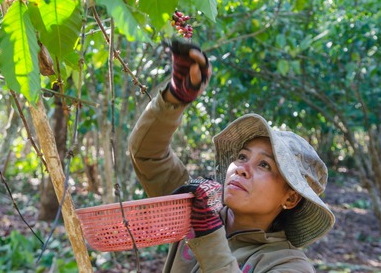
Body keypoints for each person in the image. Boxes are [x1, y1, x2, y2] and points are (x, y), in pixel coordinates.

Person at [128, 39, 335, 272]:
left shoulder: (288, 265)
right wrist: (175, 98)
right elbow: (147, 155)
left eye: (265, 165)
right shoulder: (196, 209)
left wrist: (207, 230)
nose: (241, 168)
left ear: (290, 198)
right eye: (243, 157)